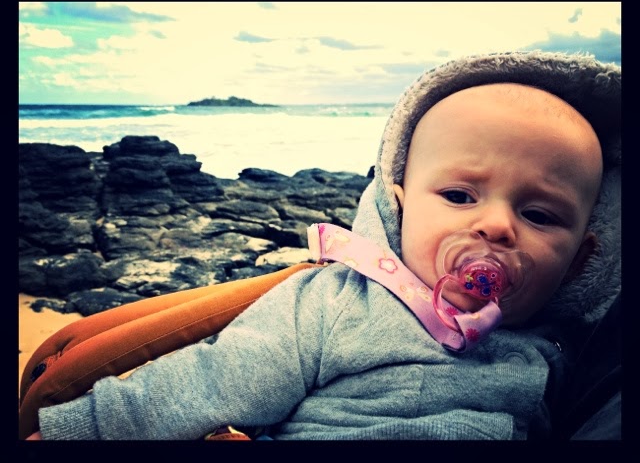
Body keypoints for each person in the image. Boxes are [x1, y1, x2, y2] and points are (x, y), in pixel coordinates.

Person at [28, 51, 621, 440]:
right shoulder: (335, 302)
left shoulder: (565, 349)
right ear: (398, 207)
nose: (496, 226)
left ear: (580, 262)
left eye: (538, 214)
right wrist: (75, 432)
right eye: (460, 196)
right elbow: (205, 384)